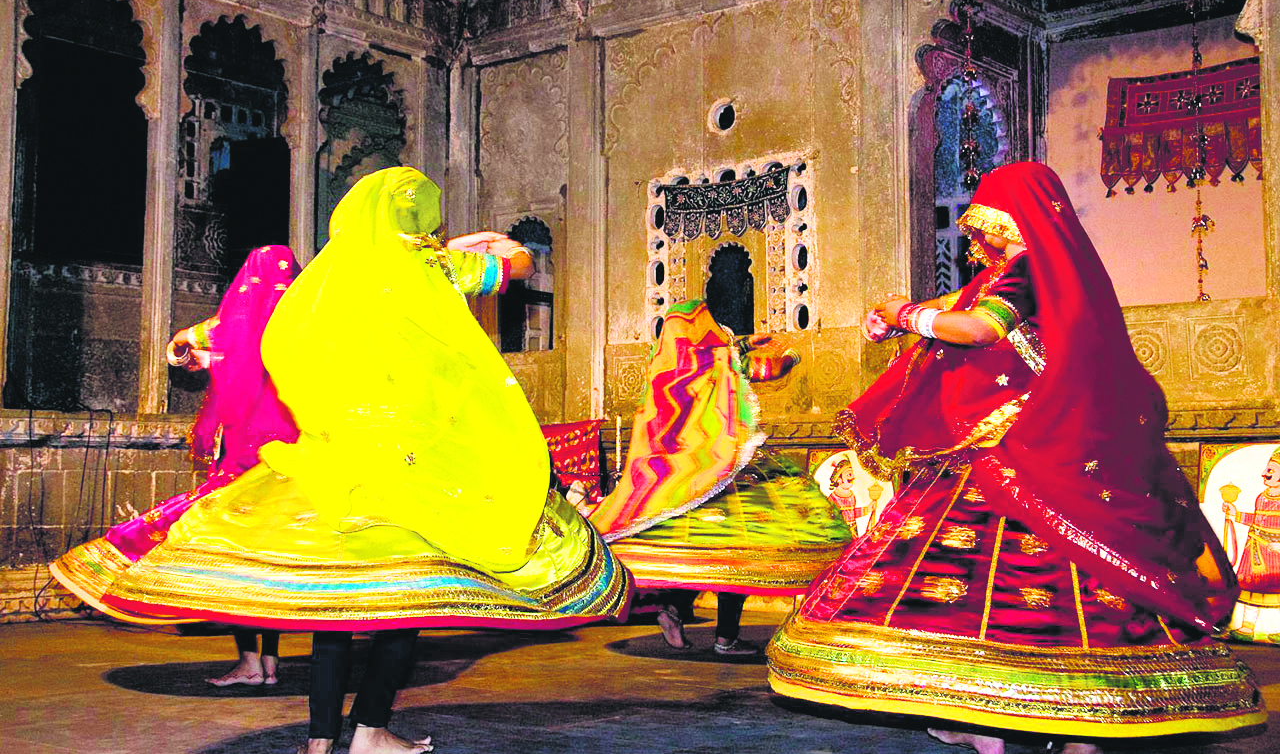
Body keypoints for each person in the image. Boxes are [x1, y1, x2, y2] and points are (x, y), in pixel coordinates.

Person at [55, 168, 632, 754]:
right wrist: (492, 247)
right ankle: (372, 732)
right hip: (411, 463)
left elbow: (255, 335)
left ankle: (320, 741)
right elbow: (517, 268)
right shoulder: (427, 268)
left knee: (338, 612)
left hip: (334, 462)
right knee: (404, 605)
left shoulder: (330, 279)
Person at [767, 162, 1264, 752]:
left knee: (974, 580)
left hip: (1010, 445)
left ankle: (983, 722)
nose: (978, 235)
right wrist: (909, 318)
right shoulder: (1050, 272)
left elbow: (979, 329)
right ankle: (1079, 724)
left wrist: (906, 315)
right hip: (1051, 442)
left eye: (986, 219)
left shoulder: (1024, 269)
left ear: (1017, 216)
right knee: (1075, 576)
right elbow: (960, 307)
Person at [51, 245, 300, 686]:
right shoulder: (304, 322)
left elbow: (180, 351)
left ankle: (250, 663)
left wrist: (198, 346)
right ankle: (271, 663)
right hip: (288, 462)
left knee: (233, 564)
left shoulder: (231, 327)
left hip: (241, 463)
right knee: (267, 565)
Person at [588, 299, 851, 655]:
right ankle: (726, 637)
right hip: (728, 471)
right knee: (740, 550)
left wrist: (742, 343)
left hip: (686, 476)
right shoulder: (719, 358)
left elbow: (719, 356)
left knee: (700, 546)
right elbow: (762, 370)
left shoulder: (668, 365)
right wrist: (792, 356)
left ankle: (674, 609)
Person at [1222, 450, 1280, 642]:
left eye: (1271, 469)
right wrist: (1235, 514)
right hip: (1255, 549)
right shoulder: (1261, 497)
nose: (1265, 473)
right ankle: (1247, 629)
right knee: (1252, 589)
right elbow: (1256, 519)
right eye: (1266, 468)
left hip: (1275, 552)